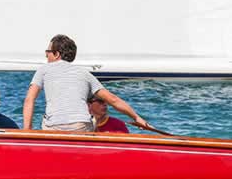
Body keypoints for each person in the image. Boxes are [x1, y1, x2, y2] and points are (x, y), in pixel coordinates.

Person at [22, 34, 150, 132]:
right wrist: (137, 118)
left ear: (56, 54)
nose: (46, 56)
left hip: (54, 127)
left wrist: (27, 130)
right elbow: (113, 99)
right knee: (92, 122)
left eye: (48, 52)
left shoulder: (43, 70)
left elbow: (29, 99)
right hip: (81, 127)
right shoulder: (85, 74)